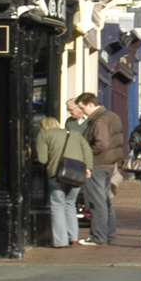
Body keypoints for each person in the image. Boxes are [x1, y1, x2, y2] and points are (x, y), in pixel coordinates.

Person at [72, 94, 123, 247]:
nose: (82, 111)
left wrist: (86, 154)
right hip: (109, 164)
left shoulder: (99, 120)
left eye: (82, 108)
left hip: (97, 164)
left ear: (89, 105)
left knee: (96, 201)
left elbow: (101, 143)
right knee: (105, 201)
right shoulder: (112, 116)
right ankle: (109, 234)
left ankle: (98, 236)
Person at [32, 113, 89, 248]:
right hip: (76, 174)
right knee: (70, 204)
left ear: (43, 126)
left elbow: (43, 159)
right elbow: (87, 151)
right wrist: (88, 168)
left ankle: (60, 241)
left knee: (57, 205)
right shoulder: (74, 134)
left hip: (57, 175)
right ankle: (73, 237)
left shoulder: (43, 135)